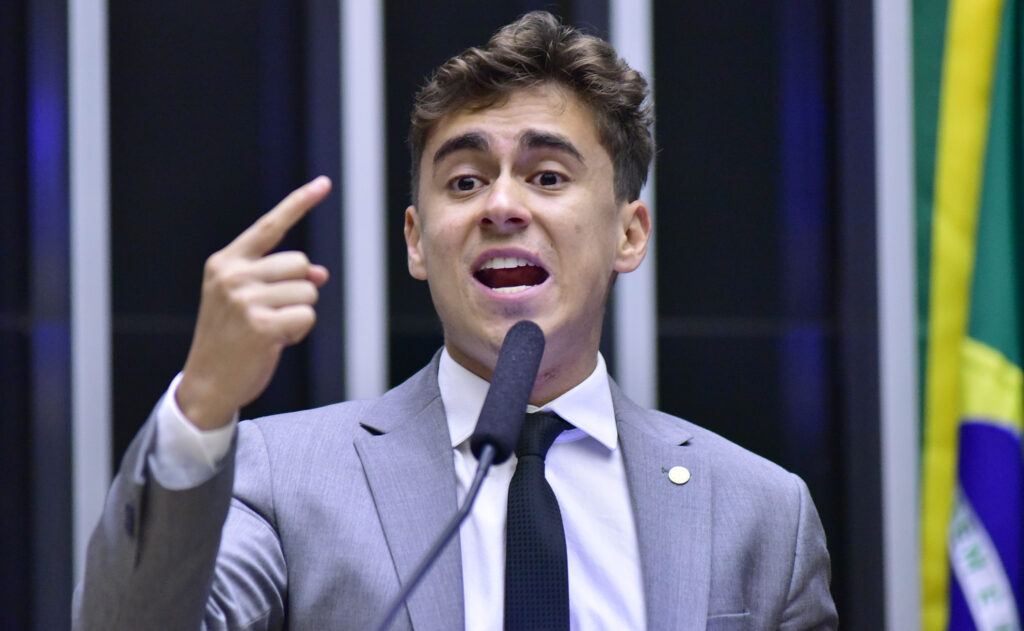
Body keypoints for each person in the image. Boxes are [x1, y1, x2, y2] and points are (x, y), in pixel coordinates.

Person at [74, 11, 838, 630]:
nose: (502, 205)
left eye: (547, 176)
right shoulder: (278, 478)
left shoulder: (761, 512)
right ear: (415, 241)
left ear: (629, 234)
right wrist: (202, 405)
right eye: (465, 181)